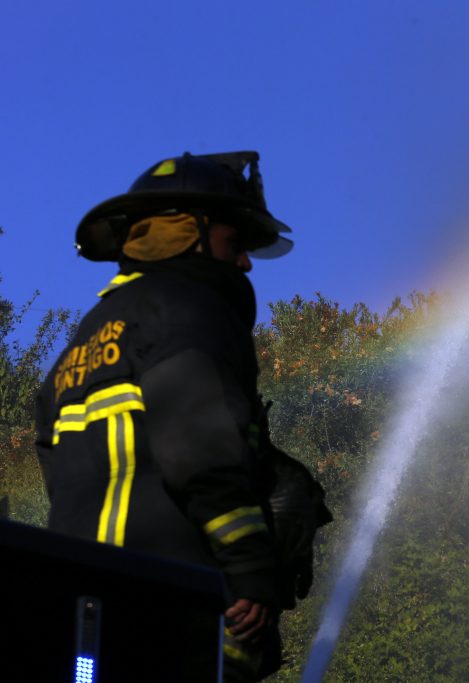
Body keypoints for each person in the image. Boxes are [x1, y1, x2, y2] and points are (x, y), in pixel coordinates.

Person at [34, 151, 330, 681]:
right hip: (170, 610)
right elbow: (202, 449)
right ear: (184, 233)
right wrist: (250, 571)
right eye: (235, 244)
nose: (244, 264)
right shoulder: (188, 309)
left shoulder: (78, 348)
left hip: (79, 616)